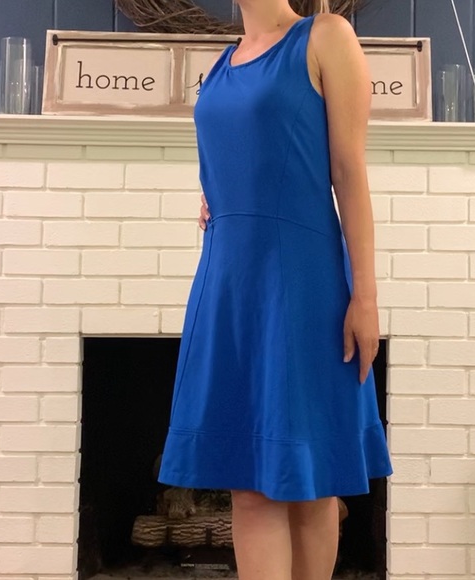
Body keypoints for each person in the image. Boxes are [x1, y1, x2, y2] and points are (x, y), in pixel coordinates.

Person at [158, 1, 392, 578]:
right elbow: (236, 157)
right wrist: (217, 196)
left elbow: (348, 172)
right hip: (227, 284)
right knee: (247, 483)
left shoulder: (326, 36)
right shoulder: (223, 62)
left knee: (309, 482)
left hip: (303, 281)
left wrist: (365, 296)